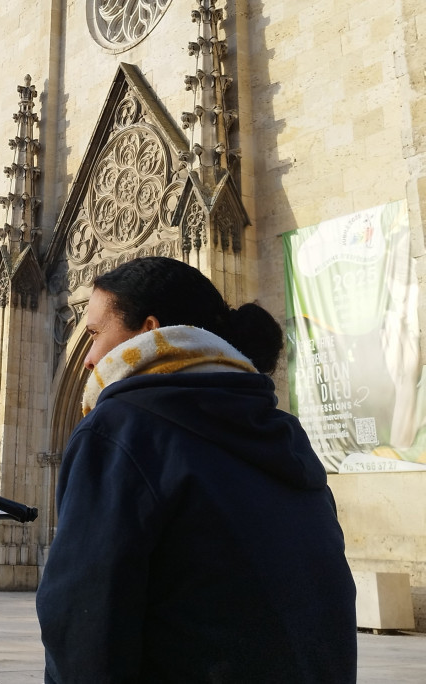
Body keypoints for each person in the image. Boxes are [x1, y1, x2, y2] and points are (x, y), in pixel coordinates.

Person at [36, 257, 357, 684]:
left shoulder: (121, 427)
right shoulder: (283, 432)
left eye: (94, 333)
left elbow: (82, 623)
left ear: (149, 333)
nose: (89, 359)